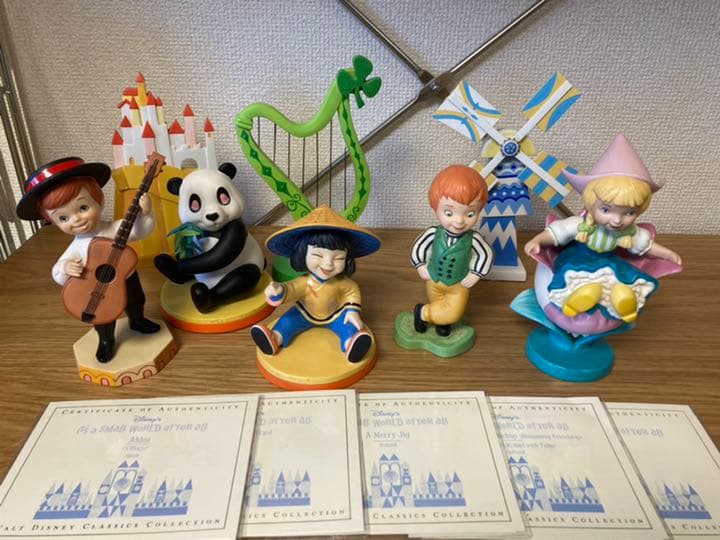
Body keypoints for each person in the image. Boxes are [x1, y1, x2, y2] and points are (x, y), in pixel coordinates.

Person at [524, 134, 682, 323]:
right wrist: (537, 241)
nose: (617, 220)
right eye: (606, 210)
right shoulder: (581, 225)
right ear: (590, 203)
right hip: (579, 259)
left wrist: (667, 254)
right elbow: (557, 233)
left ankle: (622, 302)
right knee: (574, 276)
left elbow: (647, 246)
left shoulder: (629, 233)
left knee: (620, 279)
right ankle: (575, 301)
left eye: (629, 212)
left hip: (608, 262)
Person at [16, 157, 160, 362]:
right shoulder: (77, 246)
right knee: (102, 316)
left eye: (83, 208)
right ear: (52, 221)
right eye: (63, 218)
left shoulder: (114, 229)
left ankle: (137, 320)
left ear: (99, 201)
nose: (76, 219)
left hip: (126, 278)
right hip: (94, 288)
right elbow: (58, 270)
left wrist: (146, 214)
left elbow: (139, 231)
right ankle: (106, 340)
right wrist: (66, 268)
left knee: (136, 300)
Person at [250, 206, 380, 363]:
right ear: (302, 254)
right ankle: (275, 338)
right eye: (318, 255)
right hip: (304, 313)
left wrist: (352, 311)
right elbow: (291, 289)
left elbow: (351, 293)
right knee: (287, 321)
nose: (328, 264)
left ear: (347, 259)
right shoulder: (305, 282)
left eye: (338, 258)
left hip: (336, 314)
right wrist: (278, 290)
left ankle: (350, 344)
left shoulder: (344, 283)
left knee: (349, 326)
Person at [410, 164, 494, 336]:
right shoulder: (433, 233)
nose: (459, 221)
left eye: (470, 214)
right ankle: (442, 322)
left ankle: (423, 313)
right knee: (440, 304)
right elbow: (419, 246)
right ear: (435, 209)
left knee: (454, 312)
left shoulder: (474, 239)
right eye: (449, 213)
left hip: (458, 284)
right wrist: (420, 265)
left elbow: (485, 254)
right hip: (433, 280)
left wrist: (475, 274)